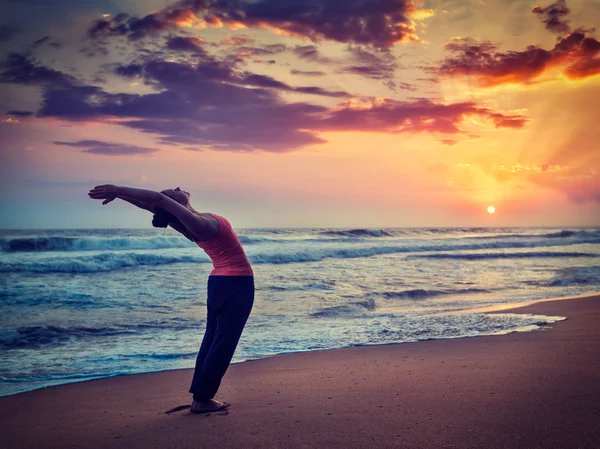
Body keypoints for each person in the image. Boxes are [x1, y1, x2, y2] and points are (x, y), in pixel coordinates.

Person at [88, 184, 254, 413]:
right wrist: (118, 189)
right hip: (236, 284)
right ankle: (203, 399)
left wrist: (121, 196)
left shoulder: (189, 222)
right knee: (223, 343)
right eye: (172, 191)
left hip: (219, 283)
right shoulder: (199, 224)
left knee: (212, 339)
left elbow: (153, 205)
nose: (177, 187)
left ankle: (201, 396)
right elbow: (158, 200)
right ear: (174, 203)